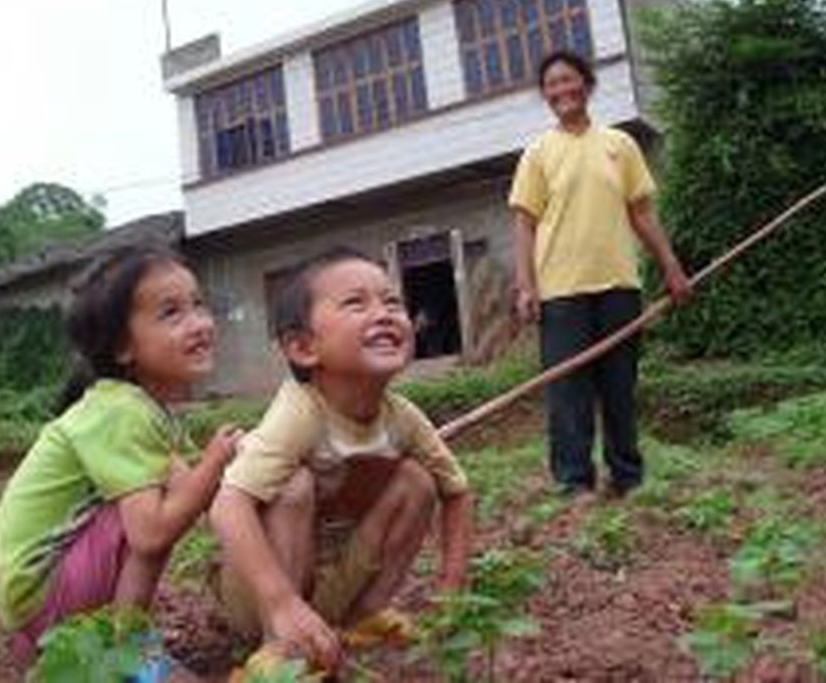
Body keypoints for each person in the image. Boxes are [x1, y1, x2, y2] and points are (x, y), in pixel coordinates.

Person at [209, 247, 474, 676]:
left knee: (416, 481)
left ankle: (363, 618)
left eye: (392, 302)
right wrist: (280, 603)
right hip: (260, 593)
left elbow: (457, 492)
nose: (385, 313)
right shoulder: (299, 411)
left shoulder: (402, 417)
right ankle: (280, 648)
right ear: (302, 347)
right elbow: (228, 505)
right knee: (293, 487)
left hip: (330, 585)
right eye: (356, 303)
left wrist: (452, 592)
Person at [0, 246, 242, 675]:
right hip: (41, 588)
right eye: (171, 313)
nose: (199, 323)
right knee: (151, 508)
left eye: (198, 304)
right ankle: (125, 652)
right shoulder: (122, 413)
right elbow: (151, 533)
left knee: (169, 483)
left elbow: (199, 486)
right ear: (124, 346)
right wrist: (216, 463)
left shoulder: (138, 408)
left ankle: (58, 651)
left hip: (36, 590)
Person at [510, 50, 692, 499]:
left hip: (618, 286)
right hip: (561, 292)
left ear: (587, 85)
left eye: (568, 80)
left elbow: (642, 213)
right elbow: (524, 223)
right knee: (567, 393)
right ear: (546, 95)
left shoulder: (619, 145)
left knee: (619, 388)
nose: (560, 90)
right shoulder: (539, 153)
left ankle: (627, 476)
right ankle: (574, 481)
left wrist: (671, 266)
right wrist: (526, 285)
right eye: (551, 84)